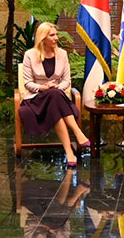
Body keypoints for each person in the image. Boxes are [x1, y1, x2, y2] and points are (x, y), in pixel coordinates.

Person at [19, 22, 91, 167]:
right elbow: (27, 83)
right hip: (36, 98)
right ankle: (78, 133)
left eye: (56, 34)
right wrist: (43, 88)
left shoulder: (62, 54)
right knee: (53, 95)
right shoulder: (30, 55)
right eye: (52, 35)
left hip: (56, 97)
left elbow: (67, 81)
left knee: (55, 97)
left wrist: (56, 87)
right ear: (42, 38)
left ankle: (69, 153)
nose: (56, 38)